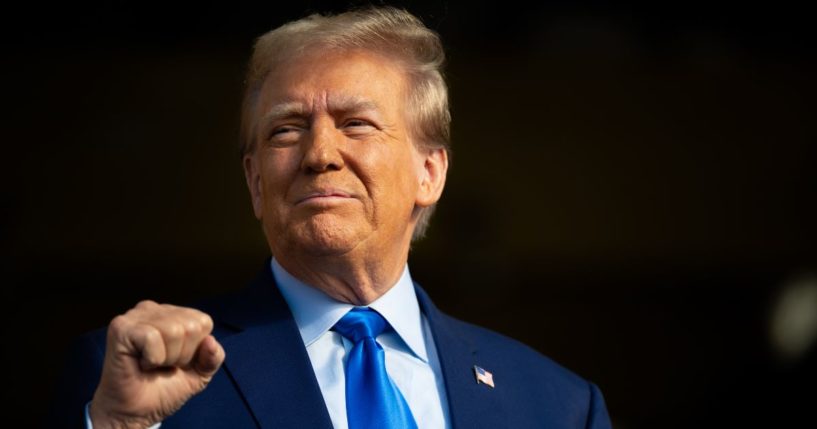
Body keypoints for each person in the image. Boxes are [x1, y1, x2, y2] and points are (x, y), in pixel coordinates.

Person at [48, 6, 612, 429]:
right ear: (254, 183)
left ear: (430, 173)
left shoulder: (557, 405)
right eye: (286, 130)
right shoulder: (131, 380)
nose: (319, 154)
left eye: (357, 124)